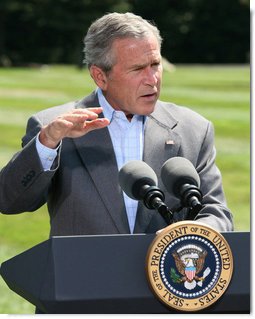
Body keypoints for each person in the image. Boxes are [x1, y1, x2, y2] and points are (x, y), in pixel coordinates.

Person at [0, 12, 233, 236]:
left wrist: (193, 233)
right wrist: (47, 143)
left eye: (155, 64)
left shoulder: (193, 128)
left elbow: (217, 212)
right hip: (85, 276)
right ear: (100, 76)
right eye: (138, 69)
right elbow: (9, 201)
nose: (152, 80)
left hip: (166, 274)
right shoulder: (53, 128)